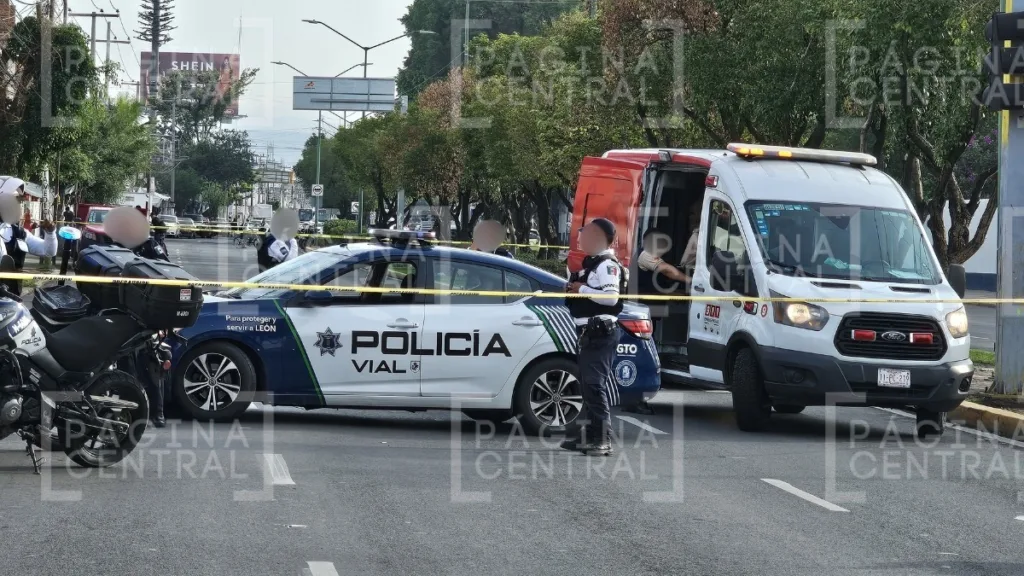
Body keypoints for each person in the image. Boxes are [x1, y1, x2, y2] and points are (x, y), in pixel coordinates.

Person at [562, 218, 627, 456]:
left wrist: (581, 289)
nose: (581, 238)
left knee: (594, 385)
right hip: (589, 334)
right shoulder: (593, 264)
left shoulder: (607, 265)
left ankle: (602, 439)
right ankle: (588, 436)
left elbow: (611, 298)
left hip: (600, 333)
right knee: (587, 386)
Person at [0, 177, 57, 295]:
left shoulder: (19, 232)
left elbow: (48, 251)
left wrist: (50, 233)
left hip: (12, 299)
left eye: (18, 201)